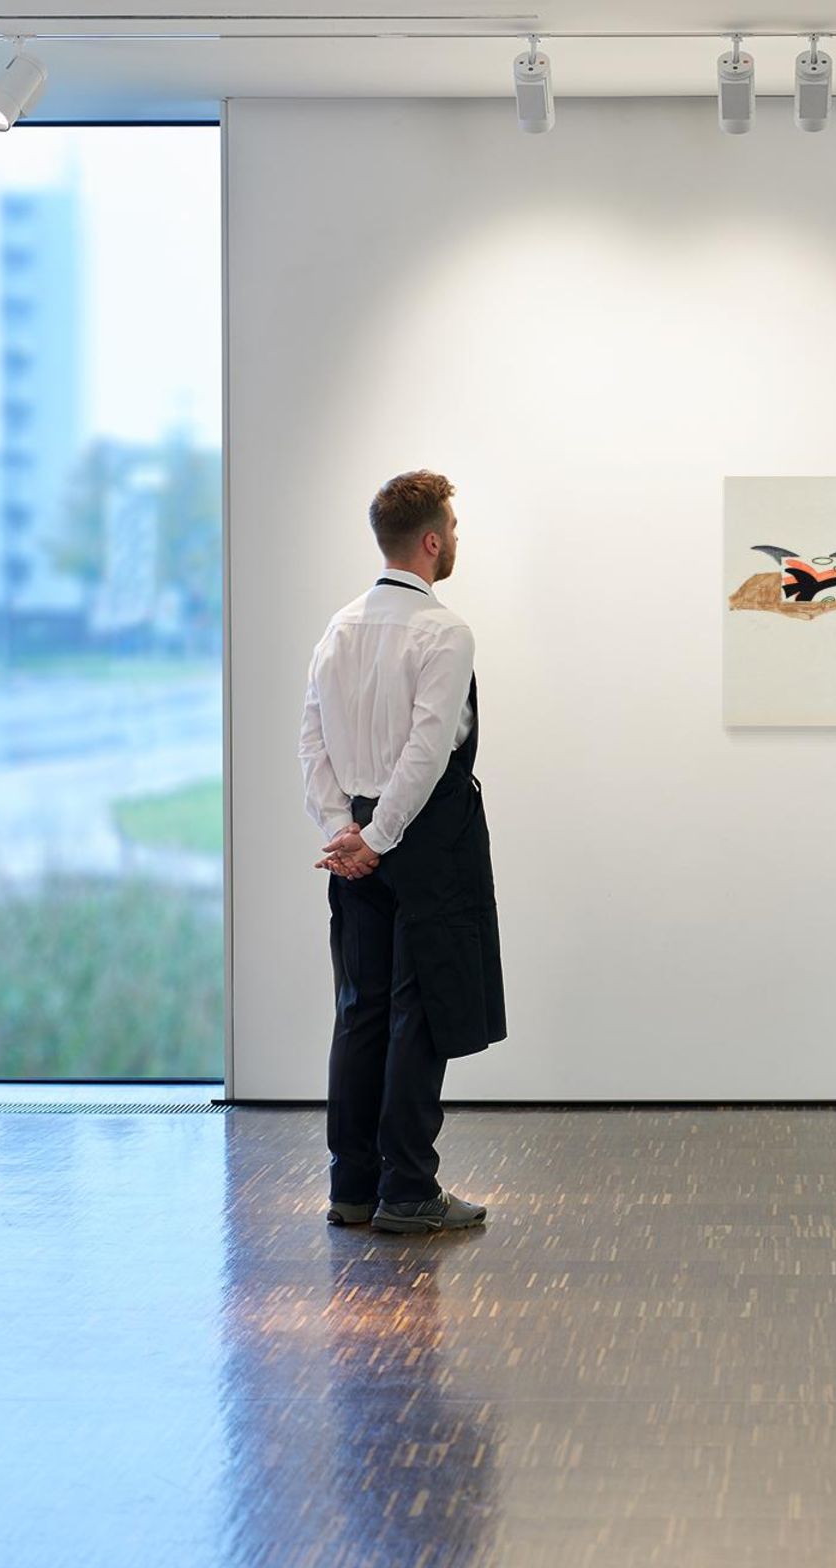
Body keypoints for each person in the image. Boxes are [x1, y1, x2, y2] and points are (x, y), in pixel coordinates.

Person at [297, 469, 507, 1233]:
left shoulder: (339, 627)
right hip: (420, 840)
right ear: (430, 540)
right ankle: (410, 1189)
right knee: (419, 1012)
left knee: (360, 1010)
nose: (456, 540)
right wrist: (380, 838)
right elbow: (426, 753)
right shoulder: (445, 631)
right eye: (453, 528)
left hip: (356, 837)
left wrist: (342, 832)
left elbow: (312, 740)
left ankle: (353, 1186)